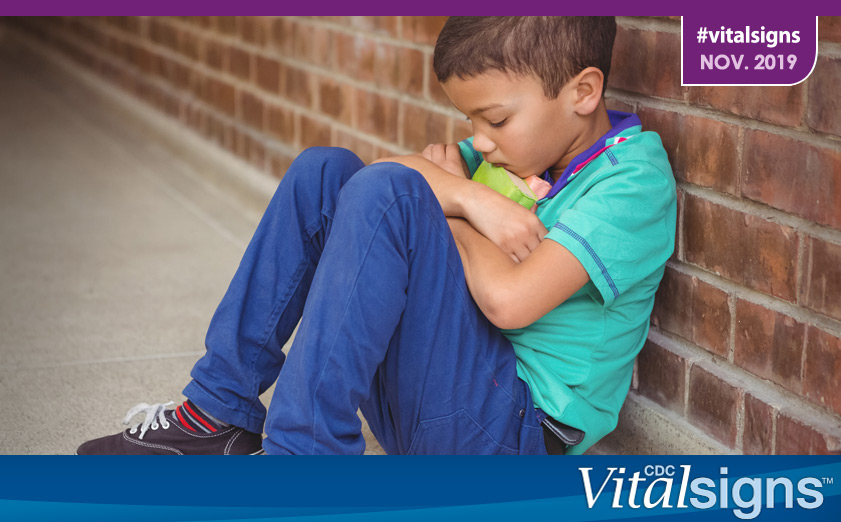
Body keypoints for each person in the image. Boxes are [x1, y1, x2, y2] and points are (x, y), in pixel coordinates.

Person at [77, 16, 676, 456]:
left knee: (393, 195)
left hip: (510, 434)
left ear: (583, 92)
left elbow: (509, 301)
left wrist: (450, 205)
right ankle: (217, 414)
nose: (480, 139)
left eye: (494, 119)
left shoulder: (631, 181)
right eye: (470, 120)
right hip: (435, 402)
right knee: (326, 172)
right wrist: (471, 198)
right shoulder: (519, 152)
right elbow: (383, 175)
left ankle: (304, 463)